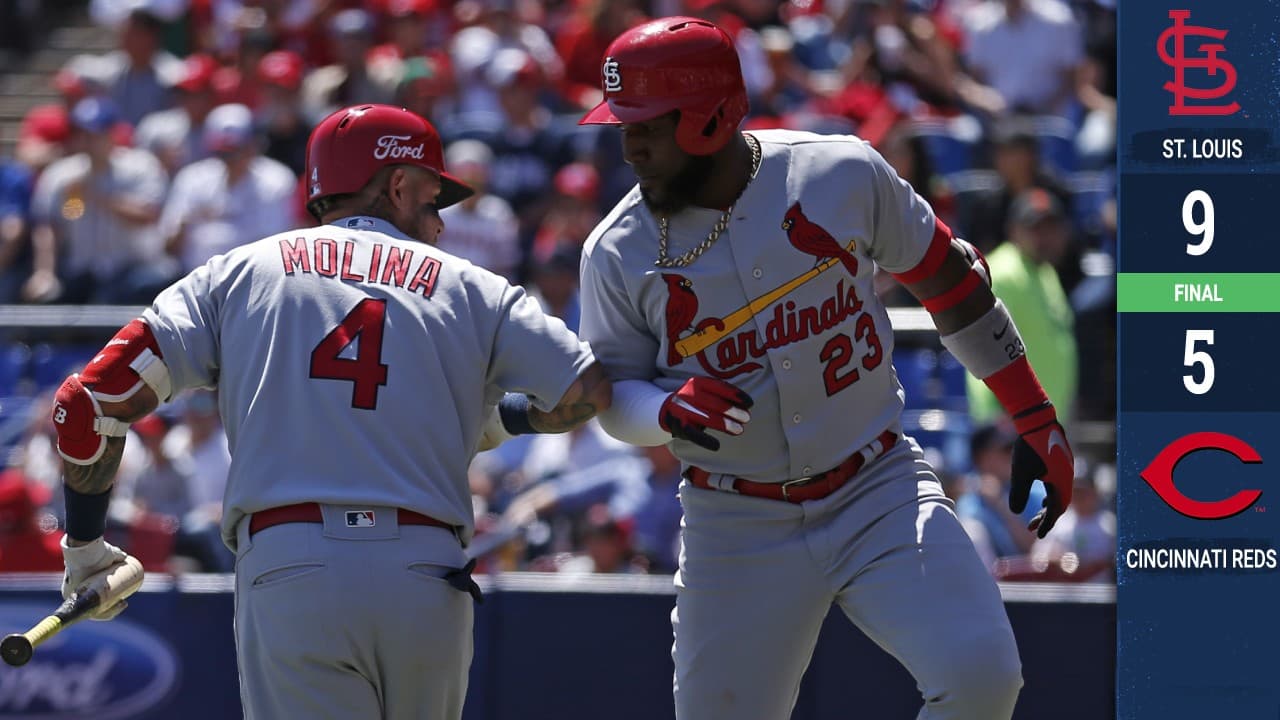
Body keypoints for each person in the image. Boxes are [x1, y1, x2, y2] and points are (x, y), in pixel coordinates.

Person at [576, 17, 1075, 720]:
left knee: (982, 677)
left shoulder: (836, 170)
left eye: (649, 123)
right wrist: (659, 411)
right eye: (622, 123)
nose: (629, 145)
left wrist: (1033, 414)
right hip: (735, 518)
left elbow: (949, 282)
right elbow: (610, 394)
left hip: (876, 485)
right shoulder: (616, 250)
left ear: (716, 114)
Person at [48, 103, 610, 720]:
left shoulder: (238, 272)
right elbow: (585, 392)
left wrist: (86, 549)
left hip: (292, 567)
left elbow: (89, 401)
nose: (441, 221)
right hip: (426, 572)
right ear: (398, 183)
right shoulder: (474, 286)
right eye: (432, 198)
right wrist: (493, 421)